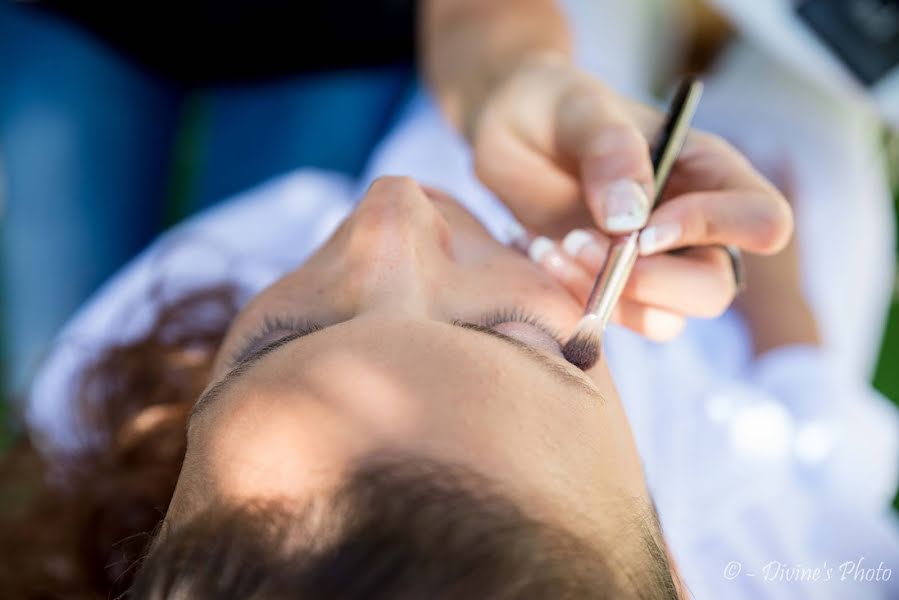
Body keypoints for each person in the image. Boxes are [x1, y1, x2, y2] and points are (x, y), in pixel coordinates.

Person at [6, 0, 894, 598]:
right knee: (830, 70)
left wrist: (505, 80)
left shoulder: (111, 381)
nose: (390, 208)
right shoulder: (790, 564)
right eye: (515, 336)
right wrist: (782, 303)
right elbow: (818, 440)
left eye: (275, 338)